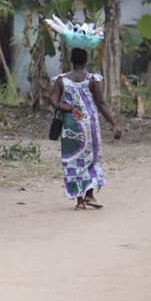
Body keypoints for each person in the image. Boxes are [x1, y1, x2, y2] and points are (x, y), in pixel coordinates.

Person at [49, 47, 122, 210]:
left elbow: (53, 100)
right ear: (86, 60)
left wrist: (68, 107)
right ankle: (89, 194)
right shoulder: (92, 80)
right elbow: (101, 103)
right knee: (91, 159)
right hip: (89, 126)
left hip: (71, 126)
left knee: (73, 161)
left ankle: (80, 201)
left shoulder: (61, 80)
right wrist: (114, 124)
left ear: (71, 60)